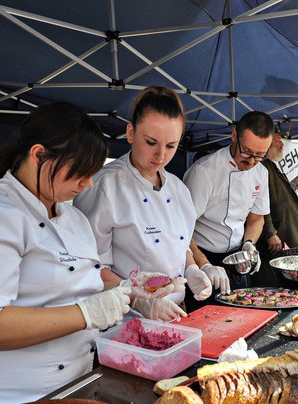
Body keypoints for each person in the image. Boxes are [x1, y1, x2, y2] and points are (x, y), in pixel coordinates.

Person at [0, 102, 132, 404]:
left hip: (70, 389)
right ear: (39, 155)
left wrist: (131, 289)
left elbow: (82, 281)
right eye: (79, 172)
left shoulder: (74, 217)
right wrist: (85, 314)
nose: (88, 184)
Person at [74, 86, 212, 322]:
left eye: (171, 146)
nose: (160, 155)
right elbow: (89, 267)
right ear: (130, 133)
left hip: (177, 313)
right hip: (125, 316)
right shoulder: (104, 187)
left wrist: (193, 268)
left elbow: (180, 245)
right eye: (151, 142)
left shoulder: (178, 189)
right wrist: (138, 298)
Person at [183, 111, 273, 300]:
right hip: (203, 255)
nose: (251, 161)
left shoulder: (261, 173)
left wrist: (249, 244)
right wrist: (204, 265)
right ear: (234, 136)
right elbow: (182, 228)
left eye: (259, 155)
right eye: (247, 151)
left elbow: (257, 218)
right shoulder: (204, 172)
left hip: (237, 258)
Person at [256, 132, 298, 283]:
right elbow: (258, 203)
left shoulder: (271, 166)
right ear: (267, 142)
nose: (282, 144)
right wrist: (270, 233)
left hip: (286, 236)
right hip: (276, 240)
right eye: (278, 141)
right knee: (276, 284)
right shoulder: (261, 167)